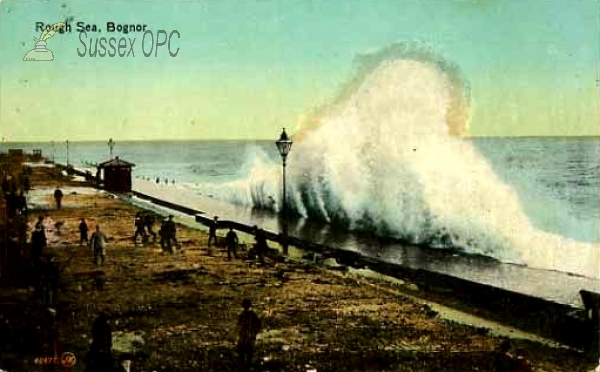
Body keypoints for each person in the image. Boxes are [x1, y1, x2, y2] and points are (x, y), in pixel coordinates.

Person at [236, 299, 261, 372]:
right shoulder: (244, 314)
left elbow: (258, 325)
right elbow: (239, 324)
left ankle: (246, 365)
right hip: (244, 335)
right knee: (242, 350)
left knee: (247, 350)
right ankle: (244, 364)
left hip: (248, 336)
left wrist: (253, 333)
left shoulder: (252, 315)